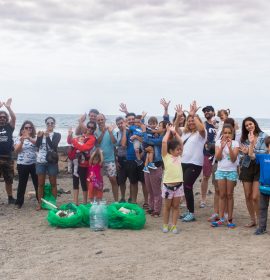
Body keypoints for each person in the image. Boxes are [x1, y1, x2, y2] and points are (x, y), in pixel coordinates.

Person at [179, 101, 207, 222]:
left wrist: (193, 114)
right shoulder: (185, 133)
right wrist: (180, 116)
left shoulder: (201, 133)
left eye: (193, 120)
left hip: (195, 164)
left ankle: (191, 213)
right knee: (185, 187)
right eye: (189, 120)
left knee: (187, 186)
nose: (191, 122)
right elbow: (175, 130)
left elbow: (201, 127)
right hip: (183, 162)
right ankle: (189, 210)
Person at [239, 117, 267, 227]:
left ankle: (260, 220)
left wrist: (250, 150)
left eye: (250, 124)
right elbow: (241, 155)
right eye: (246, 125)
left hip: (259, 167)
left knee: (255, 196)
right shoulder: (243, 138)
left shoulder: (264, 136)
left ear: (254, 124)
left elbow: (265, 152)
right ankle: (252, 220)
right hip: (247, 167)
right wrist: (245, 152)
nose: (249, 126)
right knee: (248, 195)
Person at [211, 124, 239, 228]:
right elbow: (218, 158)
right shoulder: (218, 142)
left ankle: (230, 219)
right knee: (221, 195)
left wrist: (229, 147)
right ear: (222, 133)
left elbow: (233, 159)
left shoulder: (235, 143)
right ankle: (221, 218)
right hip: (221, 171)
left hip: (231, 171)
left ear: (232, 134)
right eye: (225, 132)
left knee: (229, 195)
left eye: (229, 133)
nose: (227, 135)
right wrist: (222, 147)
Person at [161, 124, 184, 234]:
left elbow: (181, 142)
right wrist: (168, 132)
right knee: (167, 207)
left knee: (176, 206)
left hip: (179, 186)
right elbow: (164, 142)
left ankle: (174, 225)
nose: (179, 151)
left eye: (180, 150)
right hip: (167, 186)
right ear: (171, 150)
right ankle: (165, 224)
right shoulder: (166, 156)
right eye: (177, 150)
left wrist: (175, 133)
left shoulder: (179, 156)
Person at [35, 117, 61, 210]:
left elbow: (53, 147)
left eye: (52, 123)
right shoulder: (41, 134)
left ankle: (53, 203)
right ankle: (40, 203)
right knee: (40, 184)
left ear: (54, 124)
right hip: (41, 161)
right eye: (48, 123)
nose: (50, 124)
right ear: (45, 124)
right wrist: (38, 137)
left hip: (52, 162)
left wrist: (48, 137)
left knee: (53, 183)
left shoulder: (57, 135)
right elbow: (37, 146)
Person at [68, 121, 96, 205]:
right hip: (75, 161)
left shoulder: (92, 138)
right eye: (89, 127)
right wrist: (70, 134)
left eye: (92, 128)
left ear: (94, 129)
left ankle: (84, 202)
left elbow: (84, 148)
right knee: (75, 182)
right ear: (86, 127)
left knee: (84, 182)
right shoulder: (81, 136)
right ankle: (75, 202)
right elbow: (69, 142)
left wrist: (74, 141)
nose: (90, 129)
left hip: (84, 164)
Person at [142, 118, 165, 217]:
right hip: (147, 165)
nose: (156, 127)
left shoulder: (162, 137)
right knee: (149, 188)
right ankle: (151, 207)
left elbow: (149, 141)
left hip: (156, 165)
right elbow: (145, 143)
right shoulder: (153, 134)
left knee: (156, 190)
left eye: (158, 126)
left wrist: (144, 133)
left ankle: (156, 210)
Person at [14, 121, 38, 209]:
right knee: (22, 183)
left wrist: (29, 138)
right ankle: (19, 202)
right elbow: (17, 150)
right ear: (22, 129)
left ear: (32, 129)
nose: (28, 129)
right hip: (22, 164)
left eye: (30, 128)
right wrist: (22, 141)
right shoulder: (18, 138)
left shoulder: (35, 138)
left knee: (37, 183)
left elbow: (38, 145)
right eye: (26, 128)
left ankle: (40, 201)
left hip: (34, 164)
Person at [95, 114, 119, 201]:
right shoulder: (96, 131)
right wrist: (103, 132)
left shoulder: (111, 130)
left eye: (102, 119)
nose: (100, 121)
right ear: (96, 121)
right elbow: (97, 143)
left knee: (113, 180)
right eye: (99, 120)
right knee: (99, 182)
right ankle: (99, 201)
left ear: (105, 119)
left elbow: (115, 143)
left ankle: (116, 201)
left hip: (110, 160)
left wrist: (109, 132)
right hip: (99, 161)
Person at [200, 105, 217, 208]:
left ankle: (218, 197)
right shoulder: (204, 124)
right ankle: (203, 199)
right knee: (206, 177)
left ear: (214, 112)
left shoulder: (220, 124)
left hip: (219, 154)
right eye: (205, 111)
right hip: (207, 154)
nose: (206, 112)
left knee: (218, 179)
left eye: (208, 111)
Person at [0, 98, 16, 204]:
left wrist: (8, 108)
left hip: (7, 158)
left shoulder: (9, 127)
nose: (2, 118)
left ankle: (10, 198)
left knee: (8, 179)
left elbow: (14, 118)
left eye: (4, 117)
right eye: (0, 117)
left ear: (6, 119)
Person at [254, 136, 270, 235]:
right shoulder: (262, 157)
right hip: (264, 187)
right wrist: (252, 143)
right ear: (267, 147)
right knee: (263, 208)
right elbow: (251, 155)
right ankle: (262, 227)